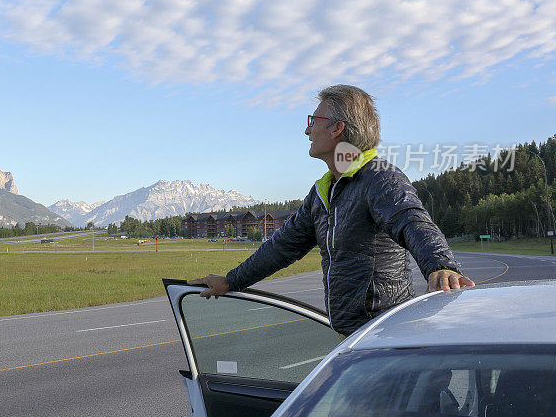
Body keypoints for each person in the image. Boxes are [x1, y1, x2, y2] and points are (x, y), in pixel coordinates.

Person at [189, 84, 474, 337]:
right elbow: (281, 247)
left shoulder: (379, 177)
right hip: (353, 335)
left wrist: (440, 266)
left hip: (386, 333)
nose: (307, 130)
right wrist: (231, 281)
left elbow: (412, 221)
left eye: (313, 121)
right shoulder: (323, 192)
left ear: (337, 129)